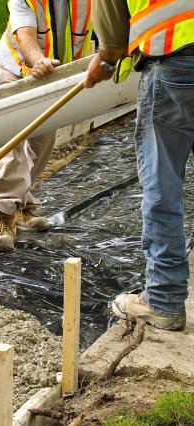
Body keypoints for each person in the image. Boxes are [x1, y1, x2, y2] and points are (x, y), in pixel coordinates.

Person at [85, 0, 193, 331]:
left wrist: (104, 60)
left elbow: (114, 35)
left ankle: (163, 299)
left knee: (162, 184)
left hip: (175, 67)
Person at [0, 0, 92, 252]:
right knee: (11, 144)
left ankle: (20, 205)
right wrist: (38, 60)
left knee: (43, 142)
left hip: (53, 77)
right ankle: (3, 215)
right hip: (16, 71)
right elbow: (25, 36)